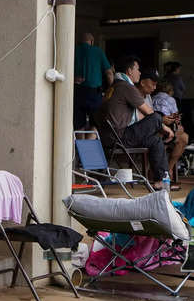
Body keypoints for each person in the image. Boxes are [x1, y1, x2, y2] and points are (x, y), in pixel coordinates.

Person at [100, 56, 171, 190]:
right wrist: (165, 128)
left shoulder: (115, 86)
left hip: (111, 136)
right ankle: (162, 178)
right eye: (137, 69)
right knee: (156, 117)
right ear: (129, 71)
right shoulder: (126, 86)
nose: (139, 72)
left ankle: (161, 180)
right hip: (119, 137)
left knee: (155, 140)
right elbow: (149, 112)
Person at [151, 79, 189, 184]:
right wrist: (180, 126)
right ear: (170, 90)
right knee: (184, 138)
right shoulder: (170, 99)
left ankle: (161, 170)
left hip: (152, 131)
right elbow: (176, 118)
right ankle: (168, 169)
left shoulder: (151, 98)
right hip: (165, 131)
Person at [74, 32, 112, 130]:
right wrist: (112, 88)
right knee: (96, 122)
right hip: (94, 93)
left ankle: (80, 145)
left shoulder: (74, 50)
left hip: (77, 91)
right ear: (92, 41)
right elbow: (109, 73)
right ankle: (90, 143)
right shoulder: (98, 51)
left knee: (79, 123)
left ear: (79, 42)